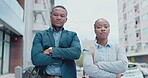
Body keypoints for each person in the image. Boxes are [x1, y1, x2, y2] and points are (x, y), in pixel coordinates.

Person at [31, 5, 81, 78]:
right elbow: (36, 59)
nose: (58, 18)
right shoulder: (40, 35)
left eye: (62, 16)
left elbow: (76, 53)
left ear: (66, 19)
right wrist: (62, 57)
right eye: (55, 15)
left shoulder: (72, 35)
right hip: (45, 76)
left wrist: (52, 51)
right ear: (50, 17)